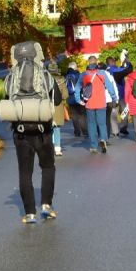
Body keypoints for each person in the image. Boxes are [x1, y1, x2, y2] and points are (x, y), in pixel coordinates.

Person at [11, 50, 63, 224]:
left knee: (25, 173)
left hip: (21, 132)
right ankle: (46, 205)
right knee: (48, 167)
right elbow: (57, 100)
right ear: (36, 56)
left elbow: (7, 100)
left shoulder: (12, 77)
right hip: (43, 132)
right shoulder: (45, 75)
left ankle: (30, 213)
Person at [80, 56, 116, 154]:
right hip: (101, 103)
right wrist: (114, 97)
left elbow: (78, 88)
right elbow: (110, 87)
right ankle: (103, 139)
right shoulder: (102, 73)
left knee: (91, 124)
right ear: (96, 63)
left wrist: (79, 100)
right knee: (102, 124)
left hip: (89, 104)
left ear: (88, 63)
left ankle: (93, 146)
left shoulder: (84, 75)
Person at [106, 50, 133, 135]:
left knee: (112, 113)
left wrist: (123, 64)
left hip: (110, 96)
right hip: (120, 95)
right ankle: (123, 128)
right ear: (112, 62)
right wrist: (127, 61)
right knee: (124, 112)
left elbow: (120, 70)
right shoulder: (114, 70)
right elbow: (127, 70)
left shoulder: (106, 71)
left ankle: (115, 131)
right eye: (114, 61)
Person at [63, 58, 87, 148]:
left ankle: (77, 132)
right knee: (82, 115)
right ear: (75, 67)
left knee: (74, 115)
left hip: (70, 98)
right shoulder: (78, 75)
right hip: (79, 97)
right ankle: (85, 131)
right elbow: (83, 86)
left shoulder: (66, 76)